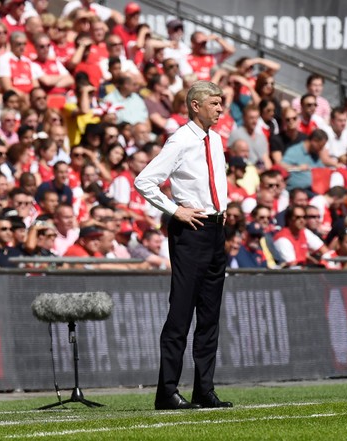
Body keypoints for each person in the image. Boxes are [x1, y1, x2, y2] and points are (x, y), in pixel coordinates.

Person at [134, 81, 232, 410]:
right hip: (192, 230)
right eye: (215, 104)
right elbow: (144, 180)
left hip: (216, 230)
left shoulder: (215, 139)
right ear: (195, 105)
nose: (220, 109)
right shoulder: (181, 139)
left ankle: (205, 389)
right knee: (181, 313)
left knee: (209, 315)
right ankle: (168, 391)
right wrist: (175, 209)